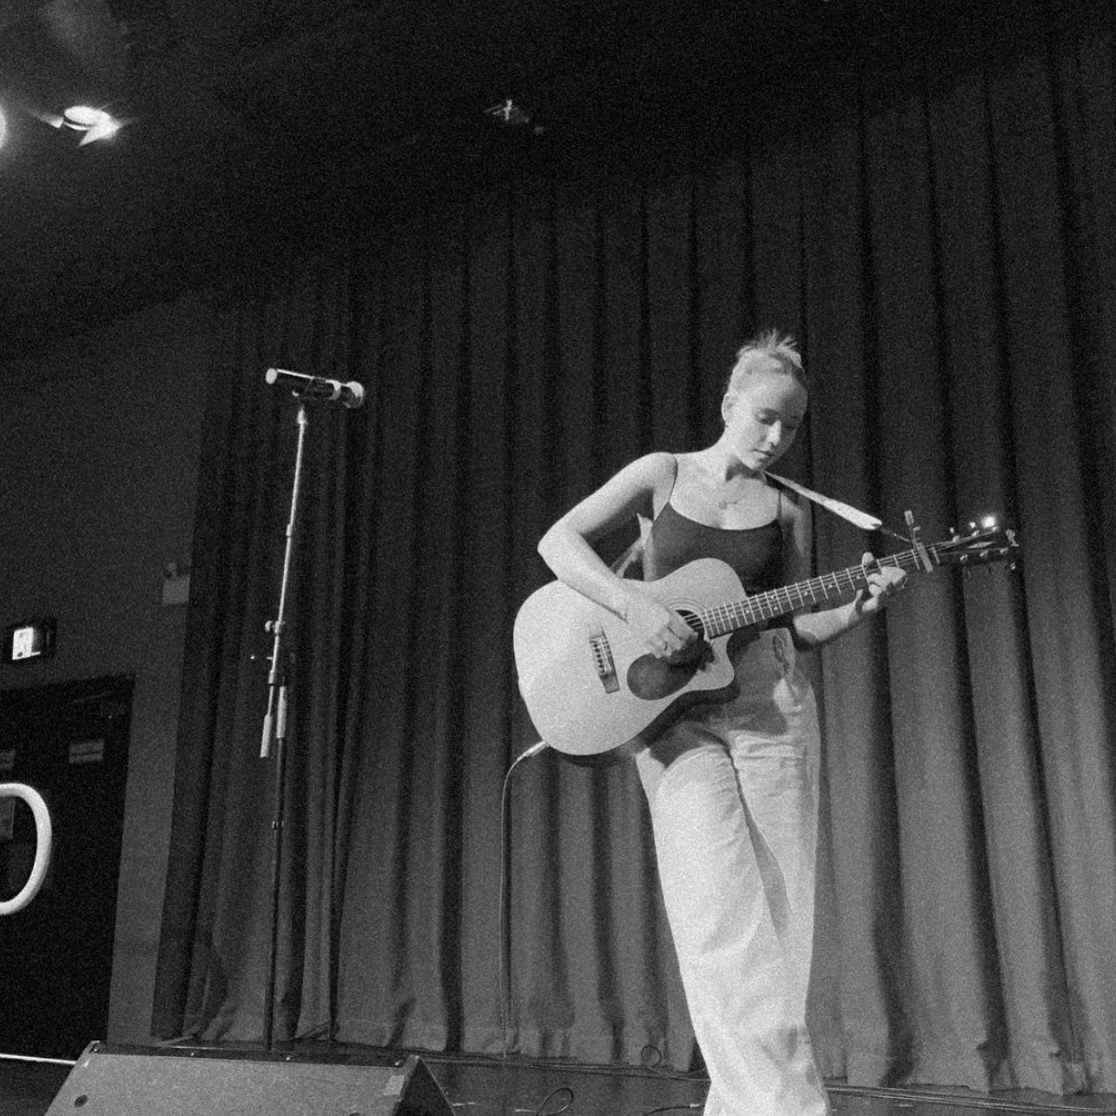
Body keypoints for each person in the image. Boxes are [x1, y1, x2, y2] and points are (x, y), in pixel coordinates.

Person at [536, 331, 907, 1116]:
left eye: (792, 428)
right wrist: (636, 602)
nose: (776, 439)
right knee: (717, 921)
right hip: (674, 724)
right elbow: (558, 542)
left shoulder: (787, 509)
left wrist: (856, 609)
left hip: (770, 713)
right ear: (729, 405)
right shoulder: (661, 473)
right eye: (765, 418)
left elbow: (787, 628)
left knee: (778, 924)